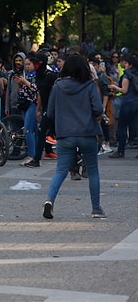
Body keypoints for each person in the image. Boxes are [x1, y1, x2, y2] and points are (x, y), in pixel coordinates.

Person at [43, 54, 105, 219]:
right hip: (87, 133)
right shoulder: (89, 86)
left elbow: (50, 112)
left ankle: (49, 200)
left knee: (61, 170)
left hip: (65, 134)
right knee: (92, 171)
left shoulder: (58, 86)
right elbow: (98, 109)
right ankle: (96, 209)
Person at [108, 55, 138, 158]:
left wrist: (114, 86)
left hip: (128, 102)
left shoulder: (127, 75)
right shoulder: (136, 73)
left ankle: (120, 151)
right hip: (136, 101)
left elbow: (124, 90)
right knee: (135, 126)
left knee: (122, 127)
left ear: (127, 63)